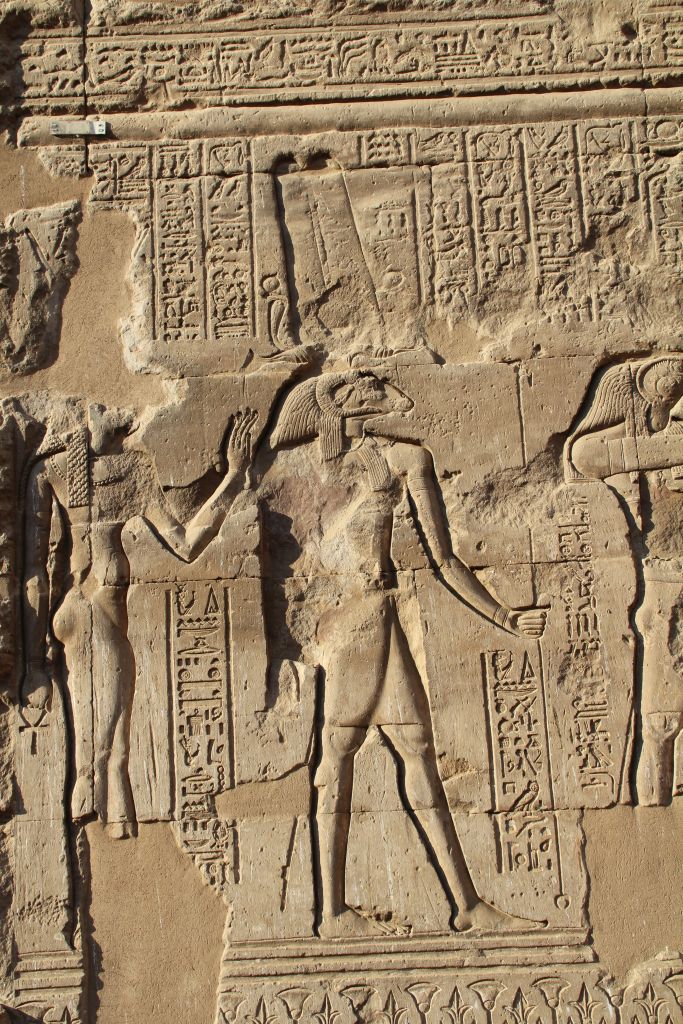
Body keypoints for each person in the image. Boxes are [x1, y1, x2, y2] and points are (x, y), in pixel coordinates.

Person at [270, 368, 547, 937]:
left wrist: (504, 616)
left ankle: (466, 906)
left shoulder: (404, 460)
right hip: (352, 627)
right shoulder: (309, 469)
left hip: (382, 618)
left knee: (413, 751)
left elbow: (444, 559)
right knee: (339, 757)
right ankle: (332, 912)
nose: (382, 398)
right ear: (338, 403)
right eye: (362, 390)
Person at [21, 404, 257, 837]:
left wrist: (236, 476)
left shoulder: (130, 472)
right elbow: (34, 574)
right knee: (104, 741)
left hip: (94, 617)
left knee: (119, 745)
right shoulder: (58, 470)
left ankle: (116, 822)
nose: (111, 410)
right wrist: (34, 663)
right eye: (99, 406)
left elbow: (185, 544)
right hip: (89, 613)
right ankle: (83, 796)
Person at [565, 354, 683, 804]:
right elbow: (583, 456)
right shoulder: (625, 423)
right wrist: (664, 450)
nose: (672, 386)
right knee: (661, 720)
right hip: (664, 579)